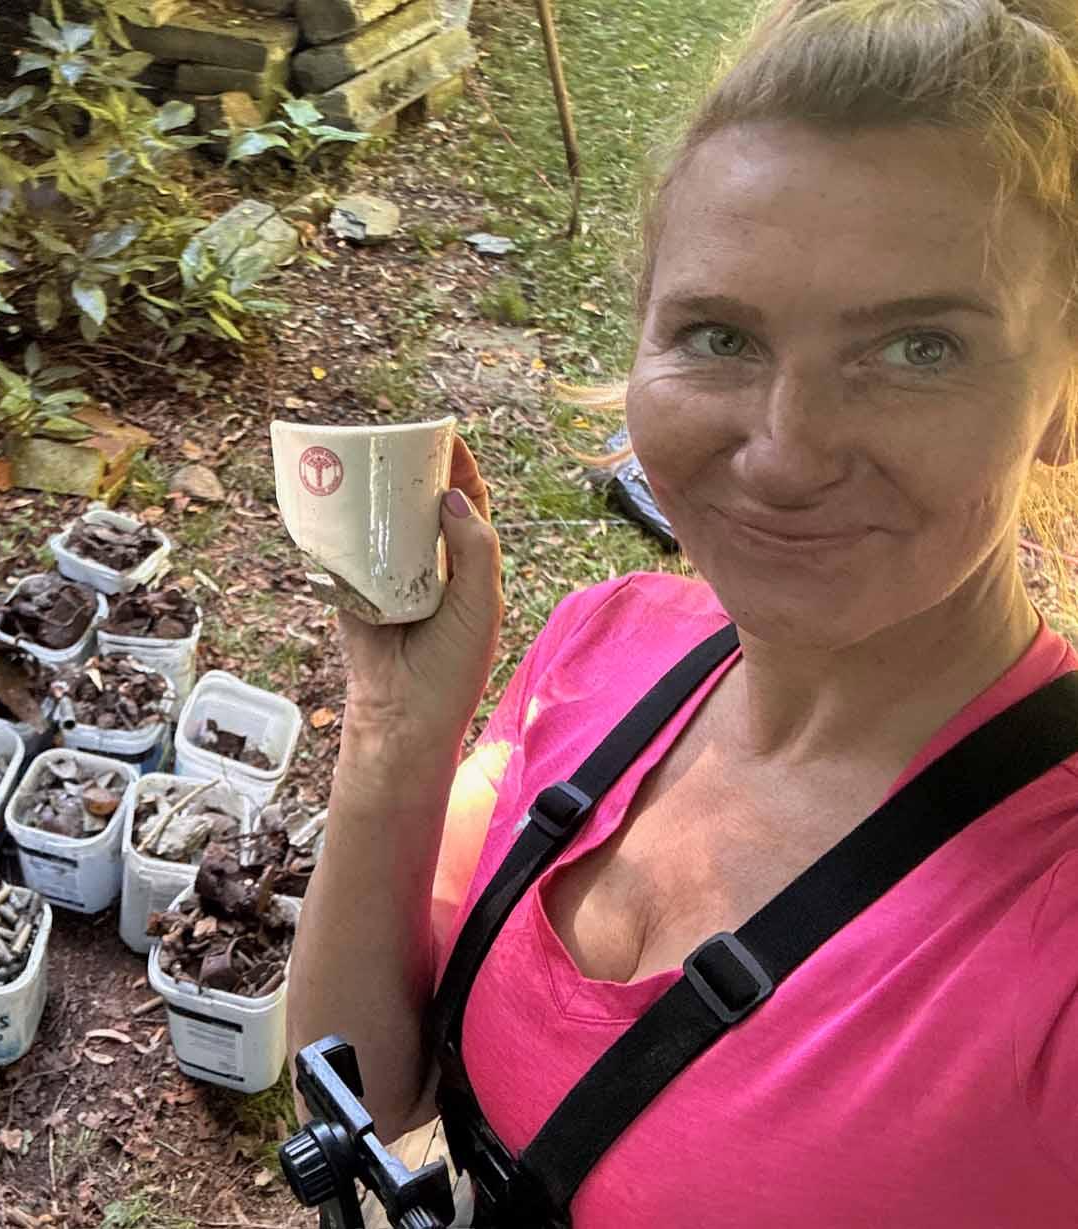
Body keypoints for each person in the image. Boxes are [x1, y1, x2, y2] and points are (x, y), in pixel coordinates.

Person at [286, 0, 1078, 1223]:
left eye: (918, 347)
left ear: (1061, 393)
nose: (784, 451)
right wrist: (396, 730)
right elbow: (361, 1094)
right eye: (720, 334)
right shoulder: (603, 645)